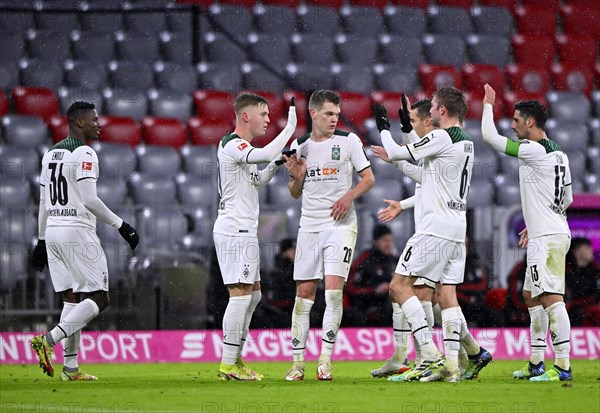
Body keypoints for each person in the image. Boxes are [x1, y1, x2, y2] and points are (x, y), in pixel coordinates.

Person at [371, 86, 492, 383]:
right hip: (456, 228)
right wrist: (405, 133)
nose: (432, 109)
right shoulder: (465, 143)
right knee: (445, 294)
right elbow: (425, 172)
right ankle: (456, 364)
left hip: (434, 228)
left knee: (399, 287)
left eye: (435, 105)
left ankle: (427, 354)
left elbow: (403, 152)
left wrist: (384, 128)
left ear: (442, 111)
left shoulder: (442, 136)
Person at [30, 101, 140, 381]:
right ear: (79, 122)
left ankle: (70, 368)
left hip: (53, 229)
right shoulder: (85, 152)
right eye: (93, 119)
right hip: (77, 231)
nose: (98, 123)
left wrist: (42, 240)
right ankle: (49, 341)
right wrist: (122, 225)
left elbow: (44, 201)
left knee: (71, 297)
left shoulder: (50, 154)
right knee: (99, 298)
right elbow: (89, 199)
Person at [482, 84, 574, 382]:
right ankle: (535, 362)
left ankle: (562, 366)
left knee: (550, 297)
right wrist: (534, 223)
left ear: (530, 123)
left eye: (517, 120)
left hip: (547, 236)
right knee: (530, 295)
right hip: (549, 230)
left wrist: (487, 105)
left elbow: (490, 138)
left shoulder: (534, 149)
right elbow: (567, 199)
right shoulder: (559, 154)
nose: (512, 125)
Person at [283, 90, 375, 381]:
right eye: (328, 114)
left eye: (337, 114)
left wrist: (348, 197)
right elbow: (294, 192)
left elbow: (369, 178)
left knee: (334, 293)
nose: (335, 119)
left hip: (340, 225)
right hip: (309, 226)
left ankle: (325, 361)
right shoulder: (299, 146)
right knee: (303, 296)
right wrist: (297, 178)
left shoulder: (348, 141)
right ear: (313, 113)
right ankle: (297, 364)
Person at [213, 93, 297, 381]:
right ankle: (227, 364)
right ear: (245, 116)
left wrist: (277, 163)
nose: (268, 119)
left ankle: (235, 360)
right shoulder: (232, 144)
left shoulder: (241, 149)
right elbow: (261, 155)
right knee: (239, 297)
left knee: (255, 294)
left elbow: (257, 179)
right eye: (264, 114)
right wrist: (288, 129)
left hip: (243, 230)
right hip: (234, 229)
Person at [346, 224, 397, 327]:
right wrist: (374, 291)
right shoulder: (364, 261)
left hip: (388, 306)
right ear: (376, 241)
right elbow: (351, 288)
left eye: (390, 240)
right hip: (365, 307)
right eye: (385, 240)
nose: (388, 244)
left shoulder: (394, 261)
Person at [261, 238, 298, 328]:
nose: (294, 252)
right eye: (291, 250)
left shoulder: (296, 268)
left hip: (290, 307)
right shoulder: (279, 271)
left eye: (295, 249)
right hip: (281, 310)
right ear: (284, 252)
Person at [565, 237, 599, 326]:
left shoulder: (596, 269)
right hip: (574, 311)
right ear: (576, 252)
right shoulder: (565, 271)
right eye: (587, 248)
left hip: (593, 308)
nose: (591, 250)